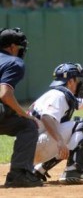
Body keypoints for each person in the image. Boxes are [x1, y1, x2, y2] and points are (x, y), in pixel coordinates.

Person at [30, 62, 83, 184]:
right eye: (77, 80)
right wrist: (60, 140)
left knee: (72, 131)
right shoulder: (59, 96)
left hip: (27, 149)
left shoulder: (54, 94)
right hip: (37, 145)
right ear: (70, 81)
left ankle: (39, 169)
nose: (80, 83)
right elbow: (46, 117)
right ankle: (74, 171)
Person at [0, 28, 43, 187]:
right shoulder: (14, 62)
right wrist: (23, 113)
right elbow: (5, 94)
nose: (21, 51)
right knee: (28, 124)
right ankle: (18, 174)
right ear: (12, 47)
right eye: (19, 47)